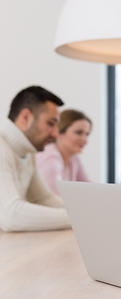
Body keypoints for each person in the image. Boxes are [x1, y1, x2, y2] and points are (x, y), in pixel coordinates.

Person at [0, 86, 71, 232]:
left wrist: (85, 213)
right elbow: (11, 215)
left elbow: (42, 198)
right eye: (50, 124)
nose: (56, 133)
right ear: (26, 117)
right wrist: (78, 219)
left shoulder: (27, 151)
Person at [36, 109, 92, 195]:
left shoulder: (74, 159)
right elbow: (53, 197)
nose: (85, 140)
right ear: (58, 132)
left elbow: (92, 190)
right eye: (79, 132)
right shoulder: (50, 155)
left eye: (87, 134)